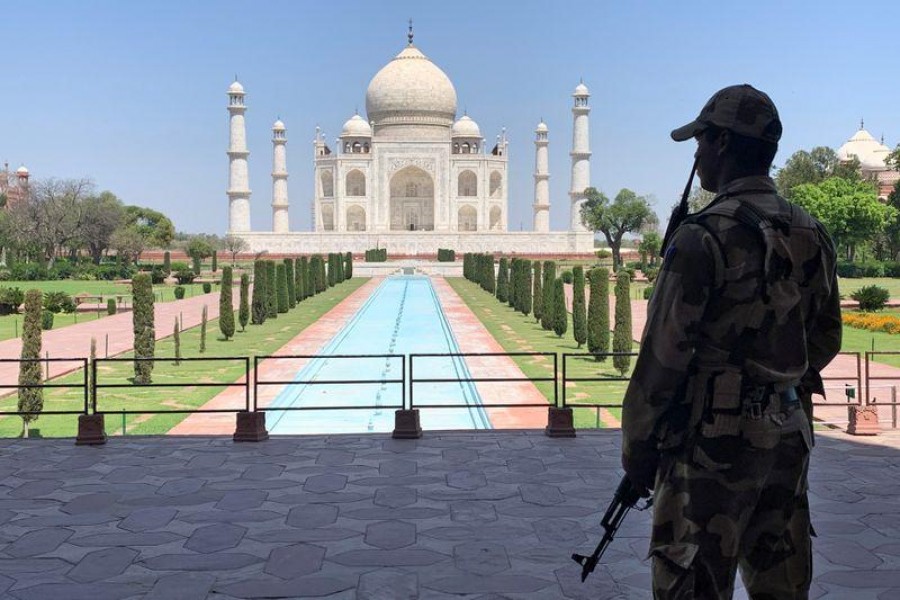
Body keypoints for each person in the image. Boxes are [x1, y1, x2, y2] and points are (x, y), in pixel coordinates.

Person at [620, 84, 842, 598]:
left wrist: (638, 452)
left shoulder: (703, 236)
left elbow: (662, 360)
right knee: (782, 585)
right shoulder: (810, 231)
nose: (696, 156)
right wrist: (775, 376)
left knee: (692, 582)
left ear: (721, 143)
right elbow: (827, 336)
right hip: (788, 438)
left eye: (700, 142)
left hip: (708, 450)